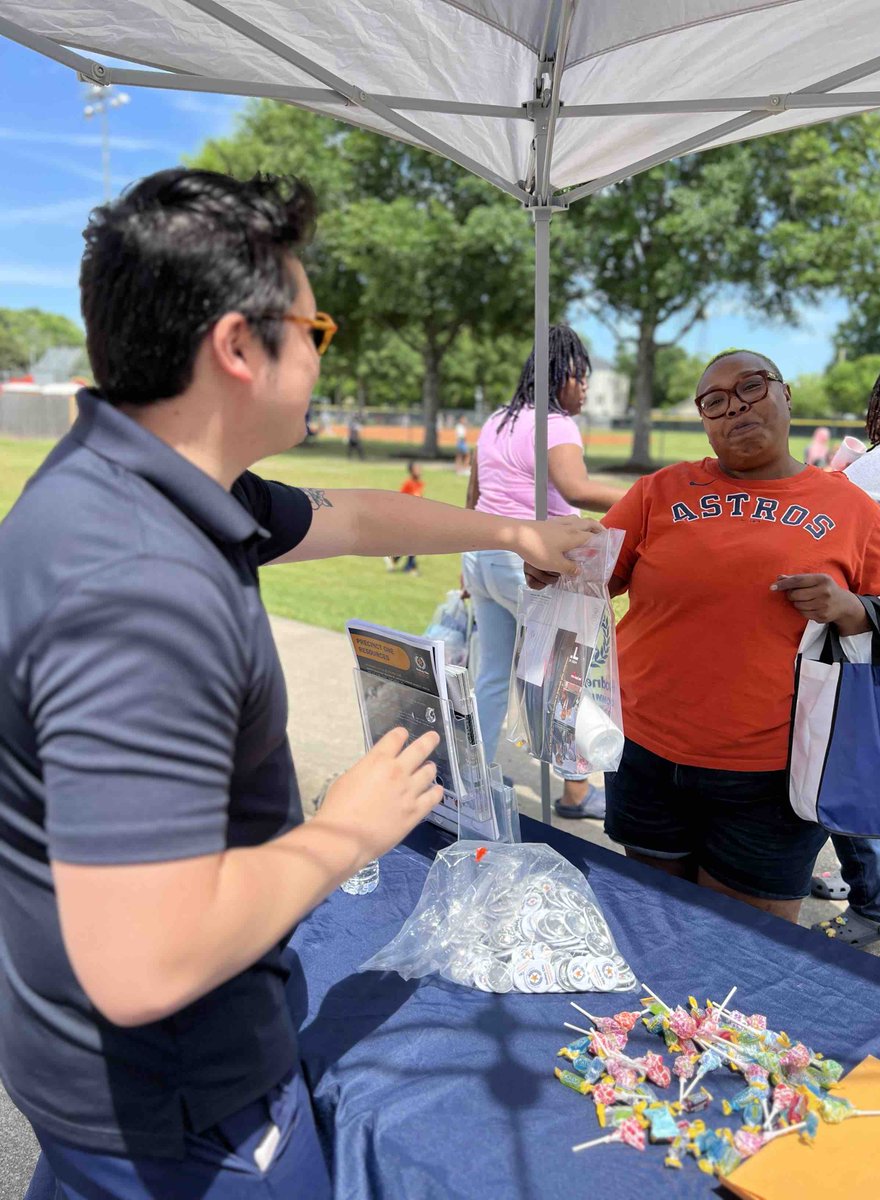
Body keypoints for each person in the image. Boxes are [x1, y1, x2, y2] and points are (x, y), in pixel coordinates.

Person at [0, 168, 601, 1198]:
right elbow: (144, 963)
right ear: (240, 345)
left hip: (100, 1078)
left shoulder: (157, 484)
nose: (324, 356)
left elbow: (358, 518)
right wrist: (347, 830)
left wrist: (514, 529)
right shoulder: (138, 581)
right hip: (186, 1107)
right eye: (314, 331)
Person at [527, 349, 880, 923]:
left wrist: (849, 608)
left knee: (745, 953)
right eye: (715, 401)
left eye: (751, 388)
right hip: (645, 756)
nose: (736, 408)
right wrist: (552, 567)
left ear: (785, 395)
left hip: (769, 777)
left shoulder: (849, 507)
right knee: (653, 922)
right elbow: (594, 574)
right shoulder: (660, 492)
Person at [463, 325, 625, 819]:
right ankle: (576, 793)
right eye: (582, 377)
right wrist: (648, 497)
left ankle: (478, 779)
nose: (586, 388)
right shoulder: (555, 424)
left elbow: (473, 495)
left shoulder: (496, 420)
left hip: (482, 557)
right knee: (563, 677)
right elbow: (575, 488)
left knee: (492, 677)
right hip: (529, 563)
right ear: (563, 375)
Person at [813, 355, 880, 947]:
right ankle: (862, 883)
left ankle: (873, 902)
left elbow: (822, 521)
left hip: (872, 640)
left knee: (846, 770)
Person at [386, 460, 424, 574]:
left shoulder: (420, 484)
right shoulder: (408, 484)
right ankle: (409, 566)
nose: (419, 470)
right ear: (411, 471)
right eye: (417, 468)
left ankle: (396, 558)